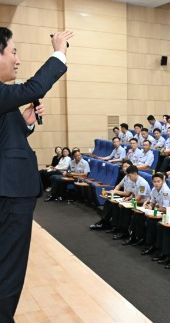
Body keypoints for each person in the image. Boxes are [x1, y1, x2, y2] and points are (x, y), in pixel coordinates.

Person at [0, 28, 71, 323]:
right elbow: (32, 88)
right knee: (8, 271)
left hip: (9, 189)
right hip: (10, 193)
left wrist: (27, 123)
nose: (18, 59)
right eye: (13, 52)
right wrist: (59, 52)